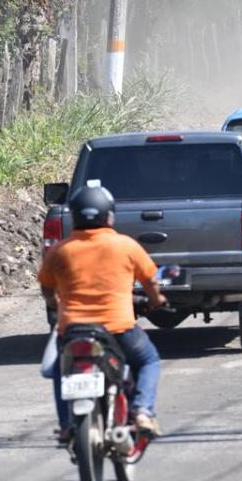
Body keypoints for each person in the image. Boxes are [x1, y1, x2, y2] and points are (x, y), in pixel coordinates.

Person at [38, 185, 166, 442]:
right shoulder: (125, 245)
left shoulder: (60, 251)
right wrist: (156, 300)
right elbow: (151, 281)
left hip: (72, 330)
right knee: (148, 360)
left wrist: (54, 302)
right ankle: (141, 412)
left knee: (60, 371)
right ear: (110, 216)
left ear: (74, 216)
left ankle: (66, 425)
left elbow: (47, 287)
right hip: (117, 328)